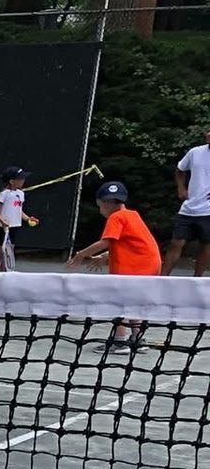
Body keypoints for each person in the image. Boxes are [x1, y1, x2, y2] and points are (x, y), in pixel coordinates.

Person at [70, 179, 163, 352]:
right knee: (134, 301)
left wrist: (81, 254)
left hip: (134, 266)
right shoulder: (132, 215)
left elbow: (106, 241)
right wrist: (104, 257)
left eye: (101, 204)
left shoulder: (116, 217)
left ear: (104, 203)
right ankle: (138, 339)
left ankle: (120, 341)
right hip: (150, 263)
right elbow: (130, 244)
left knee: (120, 301)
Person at [166, 127, 210, 277]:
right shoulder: (195, 152)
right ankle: (162, 277)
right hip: (189, 206)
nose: (209, 135)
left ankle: (197, 280)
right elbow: (180, 169)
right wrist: (181, 188)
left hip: (208, 209)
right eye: (208, 132)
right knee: (176, 242)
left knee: (206, 244)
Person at [0, 166, 34, 273]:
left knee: (9, 252)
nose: (23, 180)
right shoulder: (4, 194)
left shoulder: (21, 194)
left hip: (15, 227)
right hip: (3, 228)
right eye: (20, 178)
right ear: (12, 181)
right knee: (0, 254)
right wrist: (2, 220)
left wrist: (28, 218)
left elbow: (19, 211)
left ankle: (4, 275)